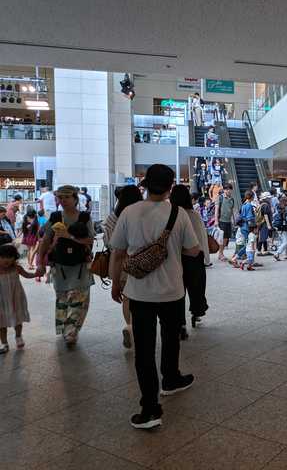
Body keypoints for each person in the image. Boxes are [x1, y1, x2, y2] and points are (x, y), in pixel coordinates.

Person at [109, 164, 201, 430]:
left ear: (144, 184)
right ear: (171, 186)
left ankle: (150, 409)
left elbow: (117, 252)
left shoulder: (129, 212)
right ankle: (171, 379)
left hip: (138, 292)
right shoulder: (179, 214)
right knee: (171, 338)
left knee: (145, 351)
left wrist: (116, 284)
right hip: (172, 291)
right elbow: (193, 250)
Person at [35, 186, 95, 345]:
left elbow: (90, 240)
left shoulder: (84, 217)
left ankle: (71, 331)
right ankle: (66, 329)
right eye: (60, 198)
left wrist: (69, 236)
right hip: (60, 266)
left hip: (81, 266)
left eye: (66, 197)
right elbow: (45, 240)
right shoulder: (55, 217)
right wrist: (40, 262)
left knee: (79, 300)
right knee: (62, 300)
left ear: (75, 198)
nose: (63, 201)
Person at [103, 185, 143, 349]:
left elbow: (108, 242)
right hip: (138, 261)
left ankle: (129, 326)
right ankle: (136, 328)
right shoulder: (141, 214)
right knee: (140, 298)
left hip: (118, 262)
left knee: (126, 297)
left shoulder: (113, 217)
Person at [170, 185, 209, 331]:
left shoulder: (172, 214)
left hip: (176, 258)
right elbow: (201, 237)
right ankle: (196, 313)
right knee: (196, 288)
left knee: (178, 291)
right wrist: (205, 258)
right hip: (195, 258)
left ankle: (181, 323)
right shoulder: (194, 214)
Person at [0, 244, 36, 354]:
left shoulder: (16, 268)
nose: (6, 260)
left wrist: (36, 274)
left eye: (9, 257)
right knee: (1, 323)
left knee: (18, 319)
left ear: (14, 258)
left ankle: (18, 336)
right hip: (1, 300)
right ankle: (4, 343)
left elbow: (27, 275)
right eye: (3, 257)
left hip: (16, 298)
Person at [233, 191, 256, 266]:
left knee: (247, 244)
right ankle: (237, 258)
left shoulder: (244, 204)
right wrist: (252, 229)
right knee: (249, 244)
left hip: (243, 226)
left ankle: (239, 258)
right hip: (247, 227)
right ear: (252, 197)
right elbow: (249, 218)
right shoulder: (249, 205)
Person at [214, 183, 236, 261]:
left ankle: (221, 253)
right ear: (224, 190)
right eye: (226, 189)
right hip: (221, 221)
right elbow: (216, 210)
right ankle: (220, 254)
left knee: (226, 239)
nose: (228, 191)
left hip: (228, 221)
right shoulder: (220, 198)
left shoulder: (232, 199)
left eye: (229, 189)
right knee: (221, 239)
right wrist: (216, 220)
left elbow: (232, 211)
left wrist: (233, 220)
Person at [273, 195, 287, 261]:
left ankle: (286, 254)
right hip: (282, 228)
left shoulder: (278, 207)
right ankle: (277, 253)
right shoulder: (283, 210)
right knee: (286, 241)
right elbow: (286, 219)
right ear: (284, 202)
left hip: (279, 227)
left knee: (283, 241)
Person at [256, 192, 273, 256]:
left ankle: (265, 250)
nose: (270, 199)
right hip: (264, 223)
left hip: (262, 223)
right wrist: (268, 225)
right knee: (263, 237)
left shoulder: (262, 204)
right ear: (266, 198)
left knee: (264, 237)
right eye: (269, 198)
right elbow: (265, 215)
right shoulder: (266, 205)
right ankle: (259, 251)